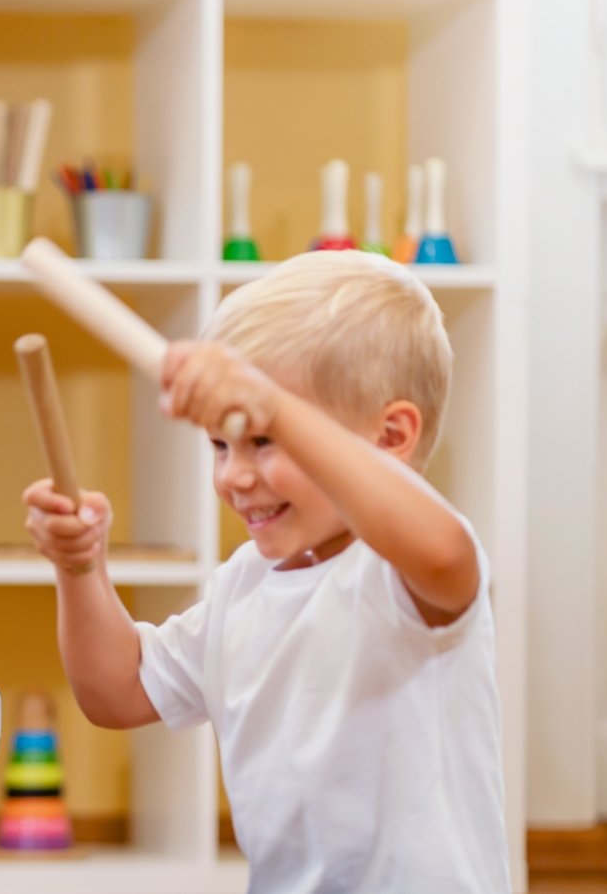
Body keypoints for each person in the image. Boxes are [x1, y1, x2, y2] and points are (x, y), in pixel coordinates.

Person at [26, 249, 508, 891]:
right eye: (221, 445)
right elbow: (115, 693)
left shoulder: (400, 574)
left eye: (264, 440)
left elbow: (446, 553)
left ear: (391, 437)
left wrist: (273, 405)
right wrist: (79, 567)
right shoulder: (243, 586)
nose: (234, 476)